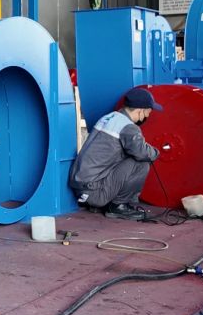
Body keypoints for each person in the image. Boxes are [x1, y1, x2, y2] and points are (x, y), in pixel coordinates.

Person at [69, 87, 164, 221]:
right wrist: (156, 152)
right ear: (141, 110)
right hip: (93, 191)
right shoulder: (128, 127)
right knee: (141, 164)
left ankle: (105, 203)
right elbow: (142, 153)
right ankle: (118, 206)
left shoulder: (109, 117)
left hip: (81, 187)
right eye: (148, 112)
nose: (148, 116)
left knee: (127, 158)